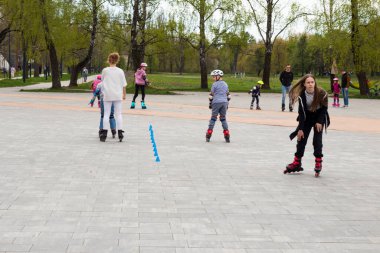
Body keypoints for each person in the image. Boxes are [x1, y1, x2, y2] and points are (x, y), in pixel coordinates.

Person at [284, 74, 330, 177]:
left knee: (317, 140)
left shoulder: (322, 93)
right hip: (307, 117)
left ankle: (318, 162)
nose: (310, 84)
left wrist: (319, 121)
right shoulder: (302, 95)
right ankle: (297, 162)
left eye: (312, 82)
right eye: (308, 82)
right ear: (304, 84)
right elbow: (301, 113)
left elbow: (324, 109)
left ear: (315, 83)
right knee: (301, 138)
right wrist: (300, 129)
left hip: (319, 116)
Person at [99, 52, 127, 142]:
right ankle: (120, 133)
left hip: (107, 94)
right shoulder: (120, 71)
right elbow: (124, 84)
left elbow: (103, 81)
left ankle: (104, 133)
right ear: (117, 60)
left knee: (106, 114)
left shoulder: (105, 70)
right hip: (118, 94)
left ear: (109, 60)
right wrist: (124, 94)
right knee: (118, 114)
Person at [205, 69, 231, 143]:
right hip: (224, 103)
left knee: (213, 118)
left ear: (218, 76)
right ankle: (226, 133)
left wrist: (210, 103)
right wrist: (226, 104)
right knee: (223, 118)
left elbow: (211, 95)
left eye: (214, 76)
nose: (213, 78)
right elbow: (229, 96)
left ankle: (209, 133)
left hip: (216, 102)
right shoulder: (226, 84)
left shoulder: (214, 84)